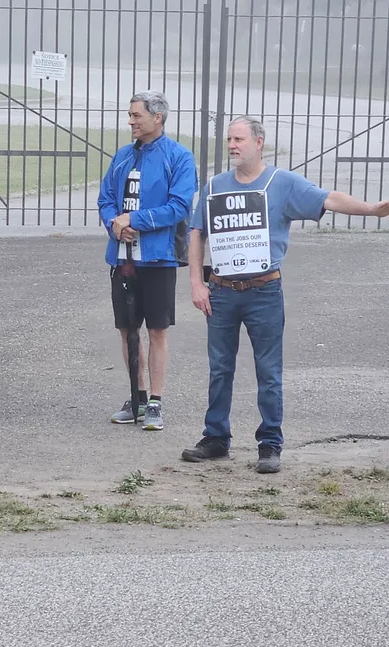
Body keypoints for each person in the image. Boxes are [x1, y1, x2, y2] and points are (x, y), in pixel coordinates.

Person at [183, 116, 389, 473]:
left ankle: (269, 443)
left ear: (258, 142)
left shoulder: (282, 183)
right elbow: (197, 232)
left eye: (239, 139)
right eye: (229, 139)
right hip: (222, 291)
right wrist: (197, 283)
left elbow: (327, 198)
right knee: (220, 368)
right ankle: (216, 437)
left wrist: (371, 209)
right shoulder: (215, 186)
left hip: (264, 291)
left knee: (269, 370)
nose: (232, 145)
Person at [97, 90, 197, 431]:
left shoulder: (180, 157)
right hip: (123, 260)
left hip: (158, 259)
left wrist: (134, 220)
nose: (130, 121)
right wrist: (115, 225)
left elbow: (180, 207)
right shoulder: (123, 156)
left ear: (158, 117)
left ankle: (155, 401)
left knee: (156, 331)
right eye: (130, 115)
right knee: (127, 331)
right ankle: (136, 398)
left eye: (136, 116)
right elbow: (106, 198)